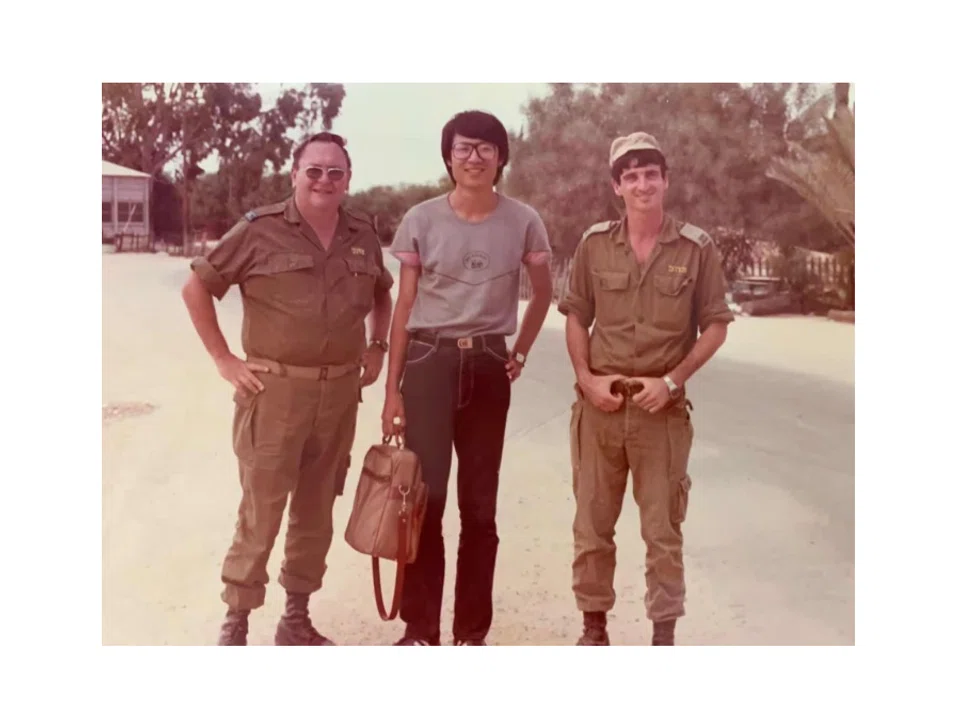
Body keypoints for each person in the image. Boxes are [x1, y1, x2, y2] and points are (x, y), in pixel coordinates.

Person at [181, 132, 394, 646]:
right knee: (262, 509)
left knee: (317, 509)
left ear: (347, 179)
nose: (324, 180)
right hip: (275, 394)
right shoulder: (259, 230)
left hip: (339, 395)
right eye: (314, 170)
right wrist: (223, 359)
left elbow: (383, 294)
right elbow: (197, 287)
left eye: (335, 172)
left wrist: (377, 345)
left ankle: (295, 618)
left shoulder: (362, 233)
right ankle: (237, 622)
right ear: (295, 173)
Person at [380, 110, 554, 646]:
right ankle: (420, 629)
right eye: (462, 148)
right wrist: (392, 391)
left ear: (501, 158)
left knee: (479, 508)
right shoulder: (421, 219)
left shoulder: (523, 220)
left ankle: (471, 633)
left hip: (487, 365)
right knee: (423, 503)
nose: (473, 157)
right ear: (448, 157)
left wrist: (518, 352)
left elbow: (543, 291)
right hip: (428, 365)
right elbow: (405, 304)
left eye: (485, 148)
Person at [557, 131, 735, 646]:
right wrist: (586, 380)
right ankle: (594, 631)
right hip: (601, 410)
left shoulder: (697, 248)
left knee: (663, 534)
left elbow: (716, 324)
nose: (642, 184)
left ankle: (663, 639)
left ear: (665, 180)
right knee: (592, 527)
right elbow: (575, 317)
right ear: (617, 186)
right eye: (630, 176)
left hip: (661, 414)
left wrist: (673, 380)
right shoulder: (593, 245)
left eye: (650, 174)